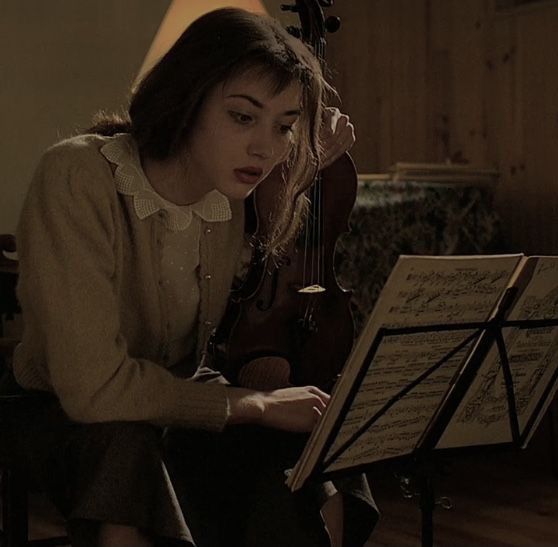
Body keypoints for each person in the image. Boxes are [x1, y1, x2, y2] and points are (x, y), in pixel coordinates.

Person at [12, 7, 378, 547]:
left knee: (310, 432)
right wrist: (250, 406)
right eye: (242, 116)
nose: (266, 147)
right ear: (189, 96)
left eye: (284, 126)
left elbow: (214, 348)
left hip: (176, 393)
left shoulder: (228, 195)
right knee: (126, 451)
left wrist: (267, 401)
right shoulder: (76, 175)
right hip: (63, 408)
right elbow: (93, 389)